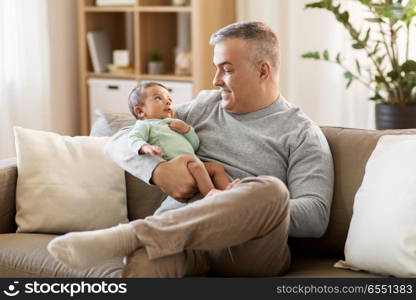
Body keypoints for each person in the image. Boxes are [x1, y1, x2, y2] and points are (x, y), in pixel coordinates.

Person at [48, 21, 334, 277]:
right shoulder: (204, 106)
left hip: (245, 250)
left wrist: (233, 203)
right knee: (143, 267)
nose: (216, 80)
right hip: (180, 242)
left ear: (262, 70)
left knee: (271, 190)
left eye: (227, 69)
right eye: (216, 68)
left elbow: (315, 215)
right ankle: (143, 239)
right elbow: (120, 138)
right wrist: (157, 170)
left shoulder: (301, 133)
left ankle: (132, 235)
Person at [127, 81, 234, 207]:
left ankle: (229, 192)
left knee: (216, 168)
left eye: (169, 100)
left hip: (195, 164)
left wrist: (187, 130)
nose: (167, 102)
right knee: (194, 164)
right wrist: (145, 147)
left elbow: (194, 145)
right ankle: (211, 194)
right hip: (181, 169)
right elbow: (133, 138)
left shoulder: (174, 123)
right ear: (140, 111)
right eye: (158, 98)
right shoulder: (146, 125)